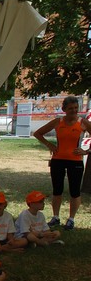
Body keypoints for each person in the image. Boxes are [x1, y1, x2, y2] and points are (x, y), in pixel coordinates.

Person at [33, 96, 91, 230]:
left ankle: (71, 219)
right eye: (70, 108)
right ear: (64, 109)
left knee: (74, 191)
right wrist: (49, 145)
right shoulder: (58, 122)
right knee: (57, 190)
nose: (74, 111)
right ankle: (56, 217)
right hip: (58, 160)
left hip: (75, 161)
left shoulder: (82, 122)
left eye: (76, 108)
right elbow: (38, 133)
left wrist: (86, 151)